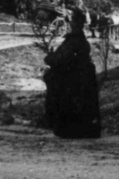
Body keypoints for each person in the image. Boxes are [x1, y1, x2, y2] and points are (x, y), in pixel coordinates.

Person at [42, 8, 102, 139]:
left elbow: (63, 59)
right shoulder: (80, 40)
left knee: (71, 103)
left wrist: (50, 58)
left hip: (73, 79)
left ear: (76, 23)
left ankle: (71, 130)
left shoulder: (73, 41)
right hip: (82, 77)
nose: (70, 23)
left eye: (72, 21)